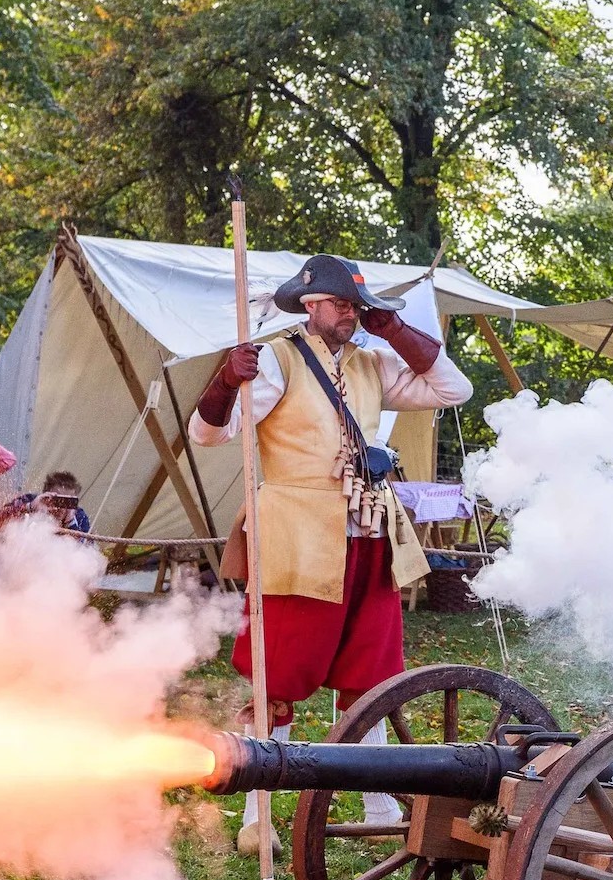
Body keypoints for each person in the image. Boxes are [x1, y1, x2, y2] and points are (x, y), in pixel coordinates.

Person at [188, 253, 471, 731]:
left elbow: (454, 390)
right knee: (280, 668)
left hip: (369, 531)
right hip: (297, 538)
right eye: (340, 303)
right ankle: (265, 778)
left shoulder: (371, 364)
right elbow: (207, 434)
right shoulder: (277, 359)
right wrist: (227, 380)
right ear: (310, 304)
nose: (350, 313)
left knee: (370, 672)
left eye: (355, 305)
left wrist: (395, 330)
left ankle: (373, 784)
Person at [0, 470, 95, 539]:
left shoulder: (79, 516)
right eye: (57, 500)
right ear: (46, 494)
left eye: (67, 501)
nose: (61, 507)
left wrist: (70, 522)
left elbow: (85, 552)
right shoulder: (31, 500)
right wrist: (29, 507)